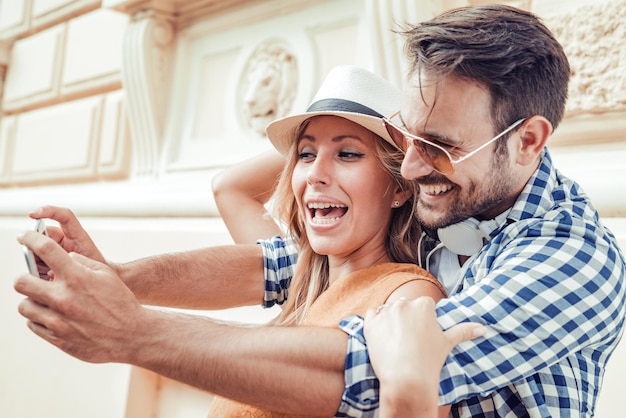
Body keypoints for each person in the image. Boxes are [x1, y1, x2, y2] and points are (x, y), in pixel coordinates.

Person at [13, 4, 625, 417]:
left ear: (528, 141)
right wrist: (114, 281)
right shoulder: (453, 207)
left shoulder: (571, 256)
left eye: (437, 145)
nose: (410, 168)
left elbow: (368, 371)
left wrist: (133, 333)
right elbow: (278, 263)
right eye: (405, 138)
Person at [207, 64, 450, 416]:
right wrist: (319, 135)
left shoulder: (407, 297)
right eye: (306, 156)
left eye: (348, 154)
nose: (316, 175)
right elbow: (228, 188)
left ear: (399, 186)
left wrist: (407, 141)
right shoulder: (304, 290)